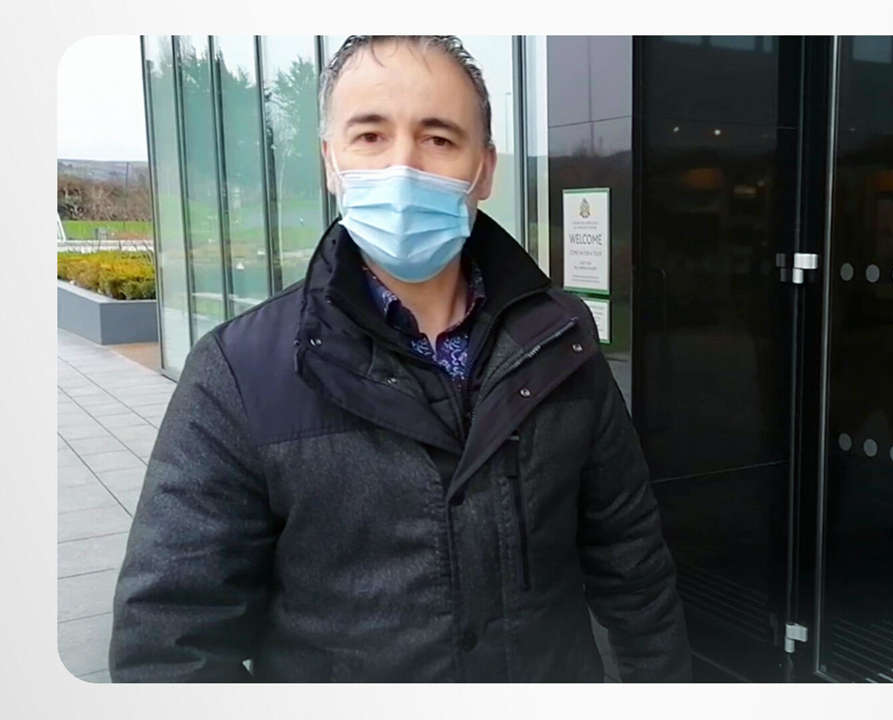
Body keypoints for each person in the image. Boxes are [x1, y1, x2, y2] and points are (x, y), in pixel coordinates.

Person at [109, 35, 690, 682]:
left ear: (484, 170)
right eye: (370, 136)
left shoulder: (560, 337)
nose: (403, 168)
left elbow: (631, 556)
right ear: (331, 162)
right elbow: (170, 641)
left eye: (439, 138)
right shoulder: (240, 370)